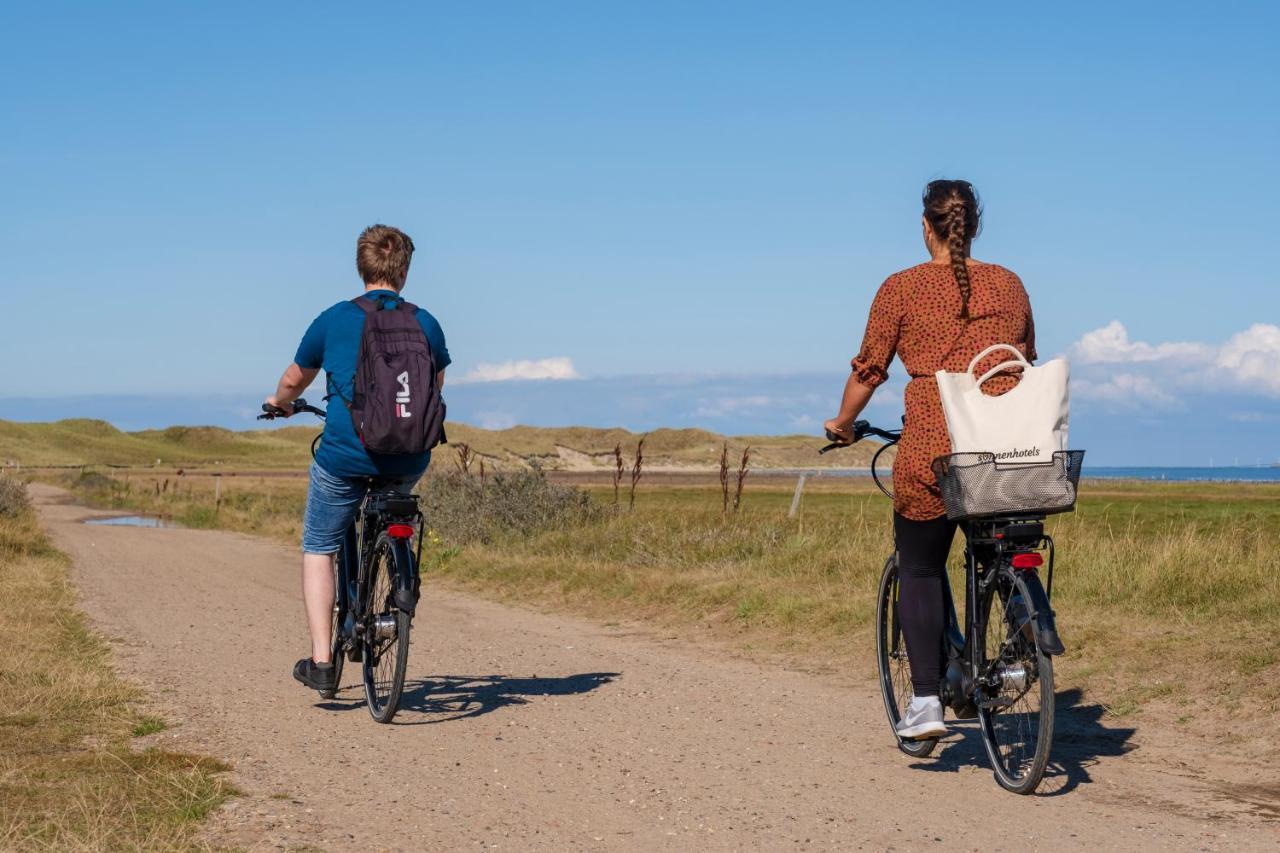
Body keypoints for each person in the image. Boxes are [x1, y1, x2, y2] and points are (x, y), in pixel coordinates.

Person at [824, 180, 1036, 739]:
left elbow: (869, 370)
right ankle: (1024, 621)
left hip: (934, 445)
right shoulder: (1009, 283)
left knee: (920, 566)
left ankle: (924, 704)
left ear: (926, 228)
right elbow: (1024, 360)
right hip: (1009, 447)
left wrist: (843, 425)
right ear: (975, 225)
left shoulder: (902, 287)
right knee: (1001, 547)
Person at [264, 224, 450, 693]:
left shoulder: (334, 319)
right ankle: (396, 565)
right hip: (409, 454)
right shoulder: (426, 322)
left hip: (347, 456)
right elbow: (436, 387)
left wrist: (280, 403)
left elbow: (293, 379)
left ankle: (323, 661)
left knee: (319, 546)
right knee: (392, 503)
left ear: (360, 266)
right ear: (404, 271)